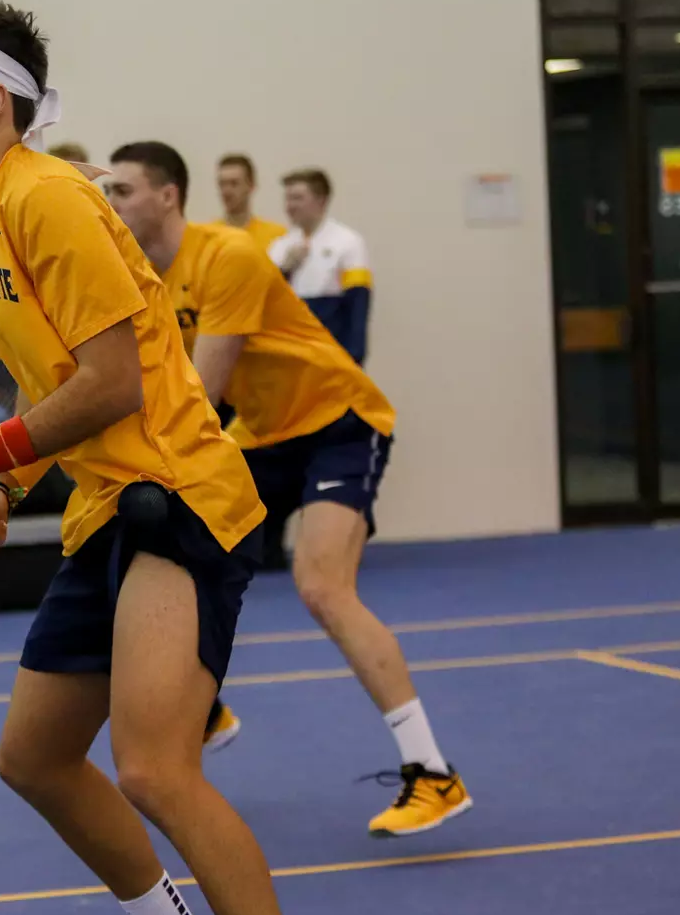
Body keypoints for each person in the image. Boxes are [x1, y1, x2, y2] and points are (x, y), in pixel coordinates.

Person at [0, 0, 293, 915]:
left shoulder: (45, 196)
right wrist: (1, 489)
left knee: (154, 770)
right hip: (105, 506)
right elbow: (41, 384)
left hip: (179, 494)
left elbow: (114, 385)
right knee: (35, 760)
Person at [106, 140, 471, 839]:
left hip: (337, 420)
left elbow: (198, 397)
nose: (112, 205)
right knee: (168, 544)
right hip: (264, 431)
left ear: (167, 196)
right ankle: (202, 705)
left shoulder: (226, 258)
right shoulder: (140, 278)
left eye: (123, 191)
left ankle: (433, 774)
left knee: (321, 586)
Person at [266, 168, 371, 364]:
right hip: (289, 352)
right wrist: (284, 270)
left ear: (321, 200)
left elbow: (358, 303)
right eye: (287, 198)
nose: (290, 206)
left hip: (332, 350)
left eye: (297, 198)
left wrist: (355, 356)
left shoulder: (348, 242)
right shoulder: (279, 247)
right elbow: (266, 301)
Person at [215, 154, 287, 251]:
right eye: (222, 184)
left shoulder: (276, 236)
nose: (226, 191)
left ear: (251, 185)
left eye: (234, 183)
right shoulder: (209, 237)